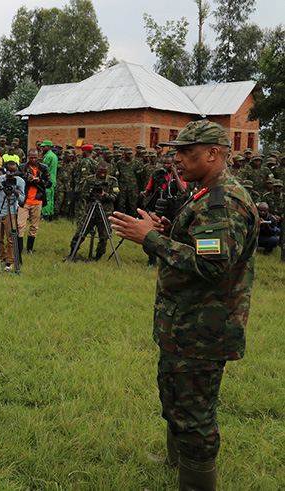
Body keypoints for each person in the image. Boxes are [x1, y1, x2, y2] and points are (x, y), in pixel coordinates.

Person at [109, 120, 259, 491]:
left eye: (187, 152)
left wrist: (152, 242)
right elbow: (200, 246)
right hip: (185, 324)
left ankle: (195, 483)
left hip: (203, 330)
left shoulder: (224, 201)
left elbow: (213, 264)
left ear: (214, 154)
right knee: (176, 396)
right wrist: (164, 232)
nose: (178, 159)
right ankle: (176, 461)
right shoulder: (205, 193)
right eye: (177, 151)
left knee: (194, 413)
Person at [68, 162, 119, 261]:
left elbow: (114, 197)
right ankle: (72, 253)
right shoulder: (89, 180)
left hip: (105, 212)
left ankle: (98, 257)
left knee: (104, 236)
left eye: (104, 173)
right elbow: (83, 195)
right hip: (90, 211)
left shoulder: (112, 181)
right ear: (96, 170)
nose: (102, 175)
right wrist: (91, 194)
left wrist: (105, 195)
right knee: (80, 232)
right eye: (100, 172)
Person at [0, 160, 26, 270]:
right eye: (9, 171)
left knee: (11, 238)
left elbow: (22, 200)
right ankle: (2, 259)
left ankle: (10, 262)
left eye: (13, 171)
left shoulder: (20, 181)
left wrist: (16, 193)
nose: (11, 174)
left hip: (10, 212)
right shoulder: (1, 178)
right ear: (5, 170)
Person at [17, 148, 52, 257]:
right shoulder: (22, 167)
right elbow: (17, 178)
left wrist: (39, 181)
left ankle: (30, 249)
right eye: (31, 157)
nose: (33, 159)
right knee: (20, 225)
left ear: (38, 157)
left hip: (37, 200)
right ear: (28, 157)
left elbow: (49, 183)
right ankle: (19, 249)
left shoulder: (44, 168)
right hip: (24, 201)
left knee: (34, 226)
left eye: (35, 157)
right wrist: (27, 178)